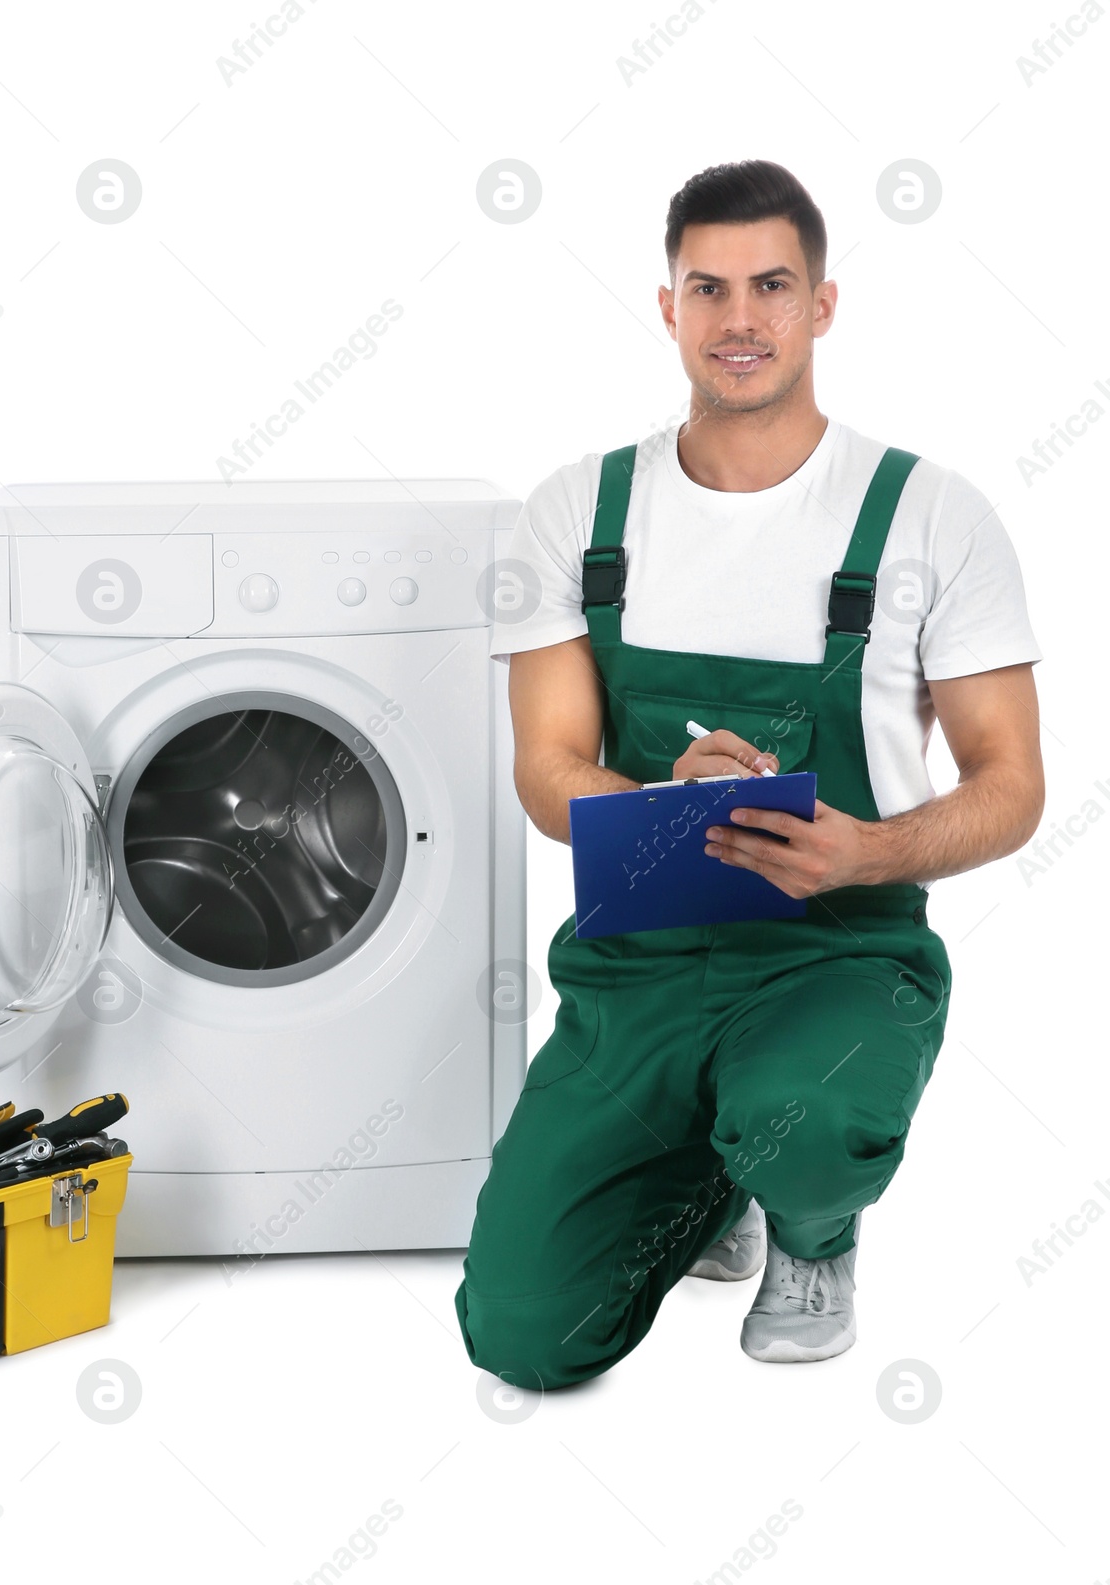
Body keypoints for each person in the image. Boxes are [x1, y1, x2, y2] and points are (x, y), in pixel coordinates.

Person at [455, 160, 1045, 1382]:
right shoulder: (577, 509)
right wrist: (670, 803)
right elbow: (546, 767)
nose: (739, 319)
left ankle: (810, 1226)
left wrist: (869, 850)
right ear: (666, 306)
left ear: (821, 304)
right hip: (641, 969)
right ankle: (709, 1174)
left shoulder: (930, 516)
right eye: (707, 288)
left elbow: (1011, 782)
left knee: (812, 1122)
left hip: (836, 958)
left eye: (771, 285)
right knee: (519, 1335)